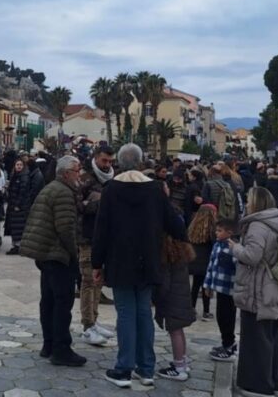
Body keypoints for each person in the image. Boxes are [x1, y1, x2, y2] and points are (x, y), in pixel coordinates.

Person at [92, 144, 186, 388]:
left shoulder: (111, 189)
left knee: (125, 312)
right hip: (148, 259)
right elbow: (176, 225)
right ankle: (146, 369)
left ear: (120, 163)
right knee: (144, 311)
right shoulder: (154, 189)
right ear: (142, 161)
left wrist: (96, 262)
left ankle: (123, 368)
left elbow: (101, 229)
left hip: (119, 259)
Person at [19, 155, 87, 367]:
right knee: (61, 303)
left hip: (44, 253)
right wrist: (74, 256)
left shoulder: (51, 188)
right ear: (67, 173)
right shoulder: (64, 193)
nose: (80, 174)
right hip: (57, 254)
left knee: (48, 301)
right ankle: (61, 348)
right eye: (77, 171)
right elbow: (65, 228)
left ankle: (48, 344)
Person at [231, 186, 278, 396]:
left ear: (257, 203)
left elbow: (252, 256)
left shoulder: (257, 226)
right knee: (271, 338)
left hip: (257, 290)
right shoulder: (277, 222)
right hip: (272, 287)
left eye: (248, 200)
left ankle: (258, 385)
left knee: (256, 339)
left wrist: (234, 247)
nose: (246, 203)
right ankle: (273, 382)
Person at [76, 144, 115, 347]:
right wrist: (98, 203)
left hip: (105, 238)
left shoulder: (112, 179)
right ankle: (87, 325)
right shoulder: (85, 179)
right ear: (96, 158)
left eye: (110, 161)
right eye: (104, 161)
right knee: (88, 281)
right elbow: (77, 205)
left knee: (99, 280)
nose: (107, 165)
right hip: (87, 236)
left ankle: (95, 319)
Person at [154, 235, 197, 382]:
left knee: (175, 332)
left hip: (172, 300)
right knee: (179, 331)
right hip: (181, 297)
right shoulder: (182, 255)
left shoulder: (167, 260)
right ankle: (182, 362)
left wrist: (157, 297)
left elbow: (164, 284)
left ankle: (179, 367)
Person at [205, 218, 239, 362]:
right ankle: (225, 342)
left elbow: (238, 269)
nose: (216, 233)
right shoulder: (217, 246)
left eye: (220, 231)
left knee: (228, 317)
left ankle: (229, 345)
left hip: (229, 289)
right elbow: (211, 266)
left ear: (229, 232)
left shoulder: (234, 248)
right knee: (220, 316)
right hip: (219, 287)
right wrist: (207, 285)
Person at [187, 204, 217, 321]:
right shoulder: (212, 229)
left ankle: (192, 308)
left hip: (194, 262)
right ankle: (206, 311)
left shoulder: (193, 227)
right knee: (206, 287)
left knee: (195, 285)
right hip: (206, 262)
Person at [4, 159, 31, 255]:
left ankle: (18, 245)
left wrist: (17, 204)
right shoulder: (14, 176)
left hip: (19, 207)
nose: (19, 166)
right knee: (15, 226)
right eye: (17, 165)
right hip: (13, 204)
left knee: (18, 226)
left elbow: (22, 192)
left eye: (20, 165)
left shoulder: (23, 177)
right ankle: (15, 244)